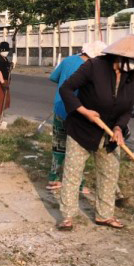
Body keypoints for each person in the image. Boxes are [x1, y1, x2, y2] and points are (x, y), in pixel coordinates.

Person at [57, 34, 134, 231]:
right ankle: (67, 216)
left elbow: (128, 109)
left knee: (109, 175)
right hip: (82, 129)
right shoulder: (94, 66)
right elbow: (66, 89)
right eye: (132, 59)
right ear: (119, 56)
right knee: (73, 174)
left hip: (110, 134)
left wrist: (118, 127)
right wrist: (84, 112)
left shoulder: (131, 77)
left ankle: (104, 215)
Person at [47, 41, 107, 191]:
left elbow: (54, 77)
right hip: (79, 112)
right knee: (78, 150)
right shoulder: (94, 67)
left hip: (60, 108)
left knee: (59, 144)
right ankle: (78, 184)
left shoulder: (67, 60)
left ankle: (54, 178)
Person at [0, 41, 13, 121]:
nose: (7, 52)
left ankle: (1, 113)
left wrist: (11, 65)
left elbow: (7, 68)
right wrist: (3, 83)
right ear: (2, 50)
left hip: (5, 82)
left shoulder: (5, 58)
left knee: (6, 99)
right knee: (1, 97)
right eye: (6, 51)